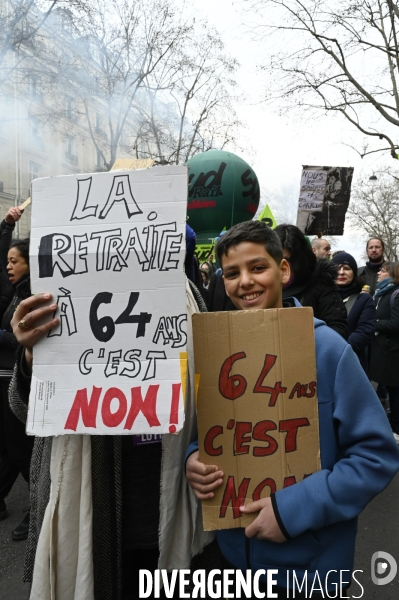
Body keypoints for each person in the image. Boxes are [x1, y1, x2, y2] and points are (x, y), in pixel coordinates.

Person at [186, 220, 399, 598]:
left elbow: (375, 456)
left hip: (310, 572)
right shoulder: (218, 350)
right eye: (232, 273)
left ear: (283, 271)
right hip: (234, 561)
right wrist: (194, 459)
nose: (245, 282)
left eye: (257, 267)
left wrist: (293, 511)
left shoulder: (329, 350)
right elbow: (211, 432)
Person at [9, 279, 212, 600]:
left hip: (169, 498)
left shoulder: (186, 293)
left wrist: (199, 450)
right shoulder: (63, 293)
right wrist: (32, 357)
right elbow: (24, 409)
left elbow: (207, 397)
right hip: (92, 500)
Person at [0, 236, 33, 540]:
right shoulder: (14, 293)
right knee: (11, 446)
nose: (9, 266)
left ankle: (37, 506)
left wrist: (8, 337)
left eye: (14, 261)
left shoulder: (32, 295)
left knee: (23, 448)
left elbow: (25, 338)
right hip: (12, 379)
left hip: (25, 384)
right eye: (7, 261)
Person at [274, 224, 348, 338]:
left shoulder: (321, 283)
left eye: (288, 260)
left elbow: (338, 329)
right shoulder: (263, 285)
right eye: (277, 260)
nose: (283, 266)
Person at [369, 262, 399, 444]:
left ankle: (396, 429)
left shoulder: (396, 294)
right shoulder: (381, 294)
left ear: (393, 274)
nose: (379, 273)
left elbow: (396, 324)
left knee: (395, 393)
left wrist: (373, 323)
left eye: (383, 270)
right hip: (383, 351)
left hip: (393, 354)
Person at [331, 251, 376, 373]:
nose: (341, 272)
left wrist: (342, 349)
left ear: (354, 273)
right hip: (324, 361)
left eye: (347, 268)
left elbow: (365, 330)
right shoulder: (322, 297)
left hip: (351, 360)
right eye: (337, 268)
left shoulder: (364, 300)